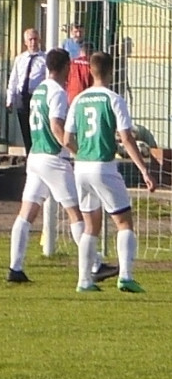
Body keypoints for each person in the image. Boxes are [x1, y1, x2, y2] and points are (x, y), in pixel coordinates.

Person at [7, 48, 117, 284]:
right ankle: (95, 265)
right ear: (66, 66)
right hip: (53, 159)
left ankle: (15, 268)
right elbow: (57, 127)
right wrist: (79, 153)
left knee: (27, 212)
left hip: (35, 156)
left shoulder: (39, 90)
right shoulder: (57, 92)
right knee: (76, 213)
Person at [64, 51, 156, 293]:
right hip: (103, 166)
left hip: (80, 167)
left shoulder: (79, 99)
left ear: (91, 71)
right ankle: (125, 276)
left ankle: (84, 281)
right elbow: (126, 137)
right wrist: (143, 169)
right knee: (124, 222)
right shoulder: (113, 98)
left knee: (90, 226)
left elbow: (66, 139)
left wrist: (82, 152)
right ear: (111, 71)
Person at [5, 28, 47, 153]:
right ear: (25, 42)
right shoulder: (20, 59)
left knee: (37, 127)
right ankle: (29, 154)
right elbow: (14, 79)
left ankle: (37, 152)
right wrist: (10, 99)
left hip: (36, 96)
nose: (33, 42)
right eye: (30, 39)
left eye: (35, 39)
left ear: (39, 40)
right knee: (25, 128)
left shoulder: (44, 58)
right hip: (22, 97)